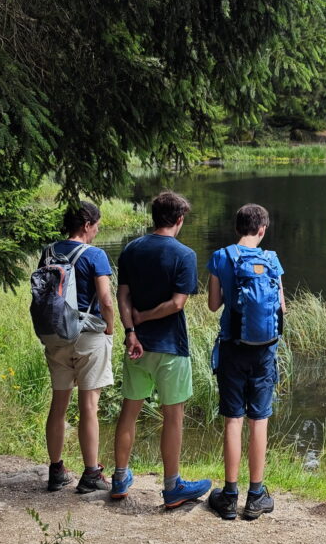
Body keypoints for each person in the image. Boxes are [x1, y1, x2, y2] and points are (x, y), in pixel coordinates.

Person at [109, 190, 212, 508]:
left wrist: (131, 330)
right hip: (171, 346)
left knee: (129, 410)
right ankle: (172, 487)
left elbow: (122, 296)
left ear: (154, 217)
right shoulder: (184, 255)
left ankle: (119, 478)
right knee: (173, 417)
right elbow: (176, 304)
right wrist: (146, 316)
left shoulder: (131, 249)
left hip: (137, 345)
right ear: (179, 220)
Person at [205, 203, 285, 521]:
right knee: (259, 420)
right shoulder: (272, 260)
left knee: (233, 420)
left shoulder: (221, 257)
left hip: (232, 348)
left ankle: (229, 496)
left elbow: (213, 305)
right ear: (262, 229)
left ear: (237, 227)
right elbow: (281, 307)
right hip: (264, 352)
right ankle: (255, 497)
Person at [41, 202, 115, 494]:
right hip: (87, 334)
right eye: (96, 225)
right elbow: (106, 300)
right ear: (86, 225)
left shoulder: (48, 252)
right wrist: (110, 327)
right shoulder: (95, 255)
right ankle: (91, 473)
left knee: (58, 404)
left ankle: (56, 471)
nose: (97, 230)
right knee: (89, 406)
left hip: (55, 333)